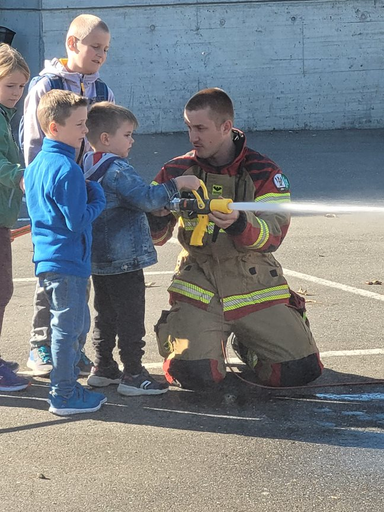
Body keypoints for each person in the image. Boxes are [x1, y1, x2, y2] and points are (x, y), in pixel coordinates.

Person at [149, 88, 324, 390]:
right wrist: (158, 214)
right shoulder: (176, 171)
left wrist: (240, 224)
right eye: (189, 127)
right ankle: (202, 341)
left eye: (200, 128)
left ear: (226, 127)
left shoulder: (264, 172)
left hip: (253, 280)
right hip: (199, 281)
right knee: (197, 375)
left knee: (298, 371)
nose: (193, 136)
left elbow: (273, 236)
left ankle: (249, 347)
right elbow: (155, 236)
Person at [83, 102, 200, 396]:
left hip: (100, 258)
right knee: (131, 317)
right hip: (125, 259)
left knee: (105, 313)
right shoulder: (116, 168)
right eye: (127, 134)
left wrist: (155, 207)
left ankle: (104, 366)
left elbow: (127, 202)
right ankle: (133, 373)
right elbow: (147, 197)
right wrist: (178, 183)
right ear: (107, 138)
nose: (132, 140)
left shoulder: (87, 164)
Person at [22, 13, 114, 377]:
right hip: (52, 193)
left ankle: (72, 347)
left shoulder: (103, 90)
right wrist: (37, 196)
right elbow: (32, 142)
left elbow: (103, 142)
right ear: (72, 44)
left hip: (83, 190)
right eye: (95, 47)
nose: (101, 55)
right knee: (55, 269)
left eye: (105, 49)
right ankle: (41, 345)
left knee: (78, 272)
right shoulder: (46, 86)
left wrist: (96, 185)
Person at [24, 89, 107, 415]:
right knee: (67, 329)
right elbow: (76, 221)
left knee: (66, 326)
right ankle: (64, 394)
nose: (85, 131)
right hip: (68, 260)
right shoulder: (67, 169)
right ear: (54, 128)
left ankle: (67, 388)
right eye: (79, 124)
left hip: (46, 258)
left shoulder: (36, 165)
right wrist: (97, 197)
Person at [0, 44, 30, 391]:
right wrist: (20, 175)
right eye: (10, 86)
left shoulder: (6, 118)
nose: (17, 94)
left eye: (21, 87)